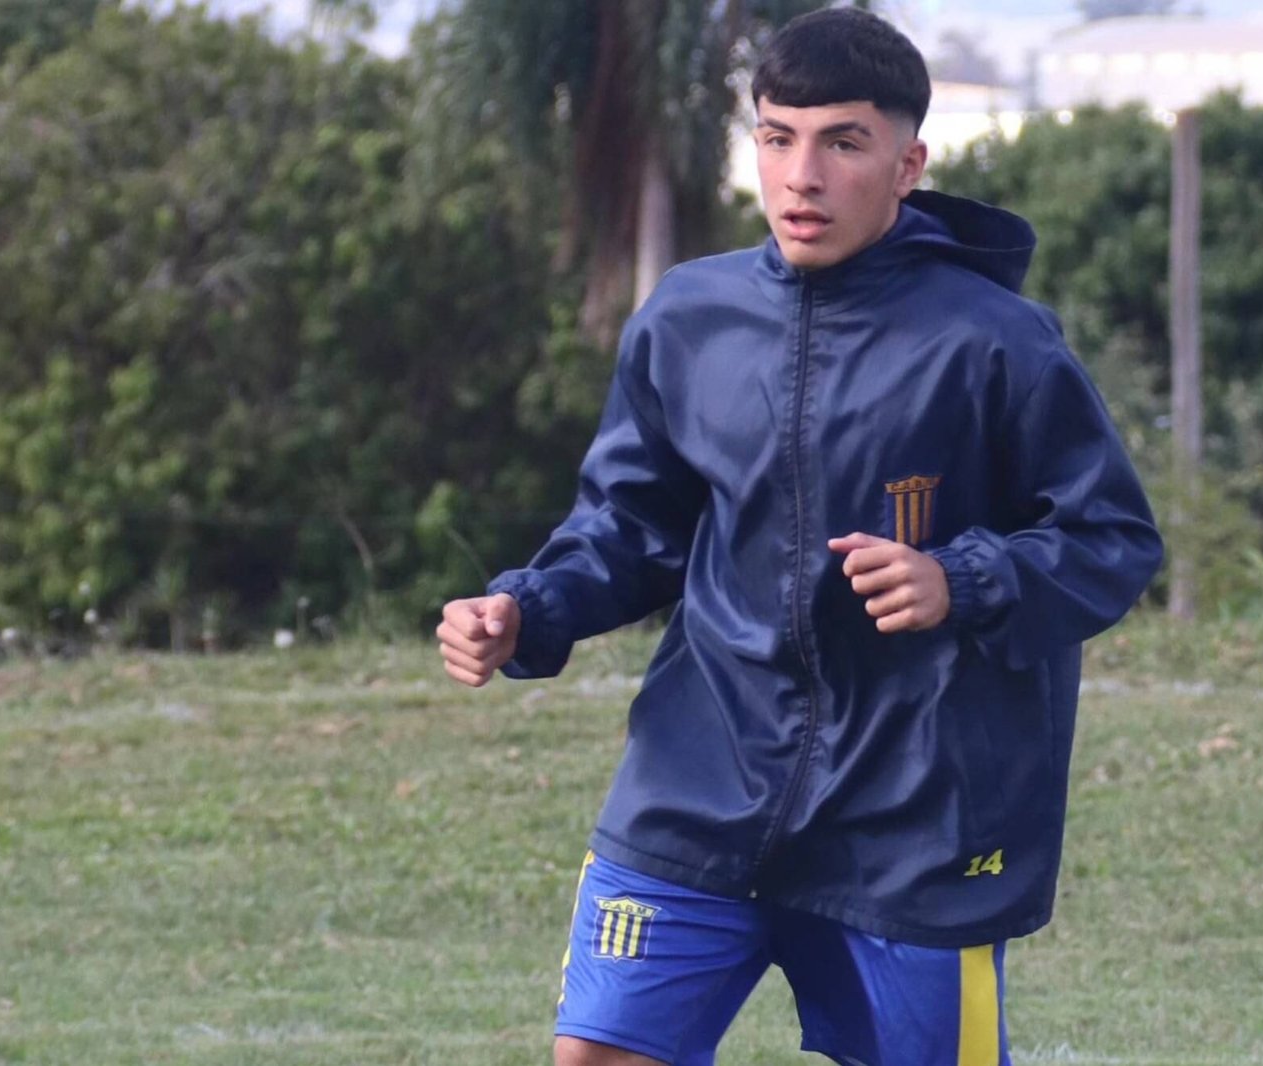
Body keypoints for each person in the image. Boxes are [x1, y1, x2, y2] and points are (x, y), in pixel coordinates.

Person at [436, 8, 1163, 1065]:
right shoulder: (688, 316)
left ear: (909, 164)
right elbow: (631, 526)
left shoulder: (996, 341)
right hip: (697, 786)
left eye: (842, 142)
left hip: (914, 819)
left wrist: (960, 579)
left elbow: (1111, 539)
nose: (802, 176)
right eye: (778, 137)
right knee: (599, 1055)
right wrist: (527, 606)